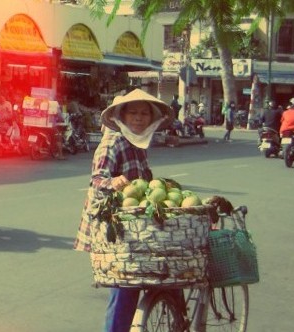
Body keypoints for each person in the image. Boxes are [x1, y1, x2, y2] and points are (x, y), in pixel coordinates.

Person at [73, 88, 173, 332]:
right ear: (123, 117)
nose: (139, 118)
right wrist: (112, 182)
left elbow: (142, 182)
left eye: (144, 114)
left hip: (135, 226)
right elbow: (96, 181)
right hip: (115, 230)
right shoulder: (112, 143)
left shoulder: (139, 143)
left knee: (161, 273)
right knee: (125, 289)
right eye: (133, 113)